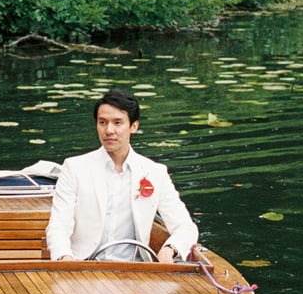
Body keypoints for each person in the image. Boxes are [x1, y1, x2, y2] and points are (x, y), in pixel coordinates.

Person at [46, 89, 199, 263]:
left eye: (117, 123)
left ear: (134, 126)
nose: (109, 130)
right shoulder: (74, 168)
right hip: (84, 265)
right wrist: (65, 257)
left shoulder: (155, 172)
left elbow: (185, 227)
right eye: (102, 122)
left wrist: (170, 249)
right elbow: (59, 225)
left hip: (135, 269)